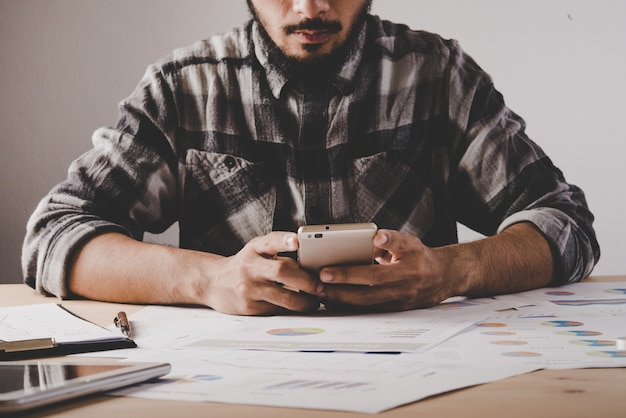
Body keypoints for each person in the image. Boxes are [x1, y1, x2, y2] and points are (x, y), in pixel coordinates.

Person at [22, 0, 600, 316]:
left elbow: (565, 224)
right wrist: (209, 280)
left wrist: (452, 271)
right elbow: (53, 235)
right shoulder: (184, 87)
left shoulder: (437, 75)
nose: (310, 8)